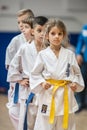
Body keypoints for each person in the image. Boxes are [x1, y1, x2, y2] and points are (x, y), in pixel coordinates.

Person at [29, 19, 85, 130]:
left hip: (65, 94)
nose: (56, 37)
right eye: (53, 33)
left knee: (66, 124)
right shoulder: (42, 55)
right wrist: (42, 82)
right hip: (48, 93)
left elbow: (77, 73)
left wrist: (75, 83)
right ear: (47, 36)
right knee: (44, 124)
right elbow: (35, 74)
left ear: (63, 35)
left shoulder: (69, 54)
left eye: (60, 34)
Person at [7, 16, 48, 130]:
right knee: (28, 121)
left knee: (43, 120)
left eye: (45, 31)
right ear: (33, 31)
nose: (42, 34)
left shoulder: (49, 50)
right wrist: (20, 79)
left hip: (45, 90)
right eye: (39, 30)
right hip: (28, 90)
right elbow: (13, 66)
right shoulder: (24, 48)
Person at [5, 8, 34, 130]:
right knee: (14, 112)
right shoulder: (15, 41)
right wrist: (19, 78)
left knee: (33, 114)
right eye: (19, 22)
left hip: (36, 83)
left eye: (24, 21)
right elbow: (8, 65)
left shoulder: (40, 39)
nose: (21, 25)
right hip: (19, 83)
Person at [75, 24, 87, 112]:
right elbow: (80, 41)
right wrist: (78, 53)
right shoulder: (85, 28)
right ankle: (80, 103)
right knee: (82, 82)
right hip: (85, 60)